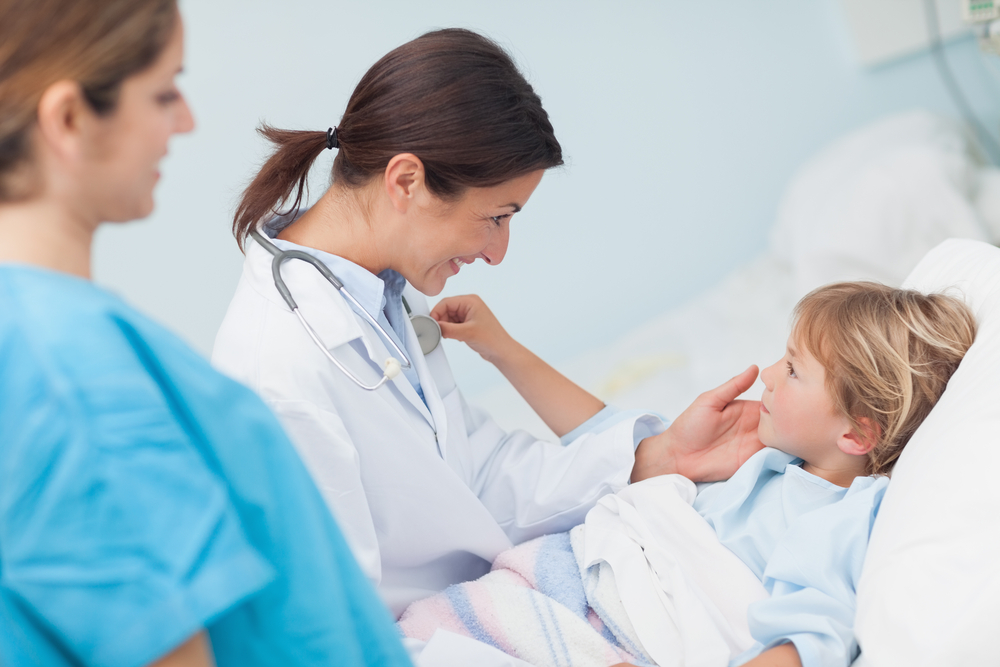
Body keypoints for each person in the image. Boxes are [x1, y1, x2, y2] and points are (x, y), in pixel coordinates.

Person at [212, 27, 765, 655]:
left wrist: (656, 458)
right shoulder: (281, 368)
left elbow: (475, 474)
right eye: (495, 217)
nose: (498, 253)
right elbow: (338, 639)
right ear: (406, 181)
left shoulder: (377, 289)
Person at [0, 2, 412, 666]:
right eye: (164, 92)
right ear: (69, 118)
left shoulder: (43, 336)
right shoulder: (66, 369)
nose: (186, 120)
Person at [404, 283, 976, 667]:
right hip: (564, 581)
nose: (768, 373)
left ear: (856, 434)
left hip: (617, 627)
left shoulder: (838, 516)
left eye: (794, 369)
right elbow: (605, 437)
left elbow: (808, 635)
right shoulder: (764, 452)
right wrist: (500, 348)